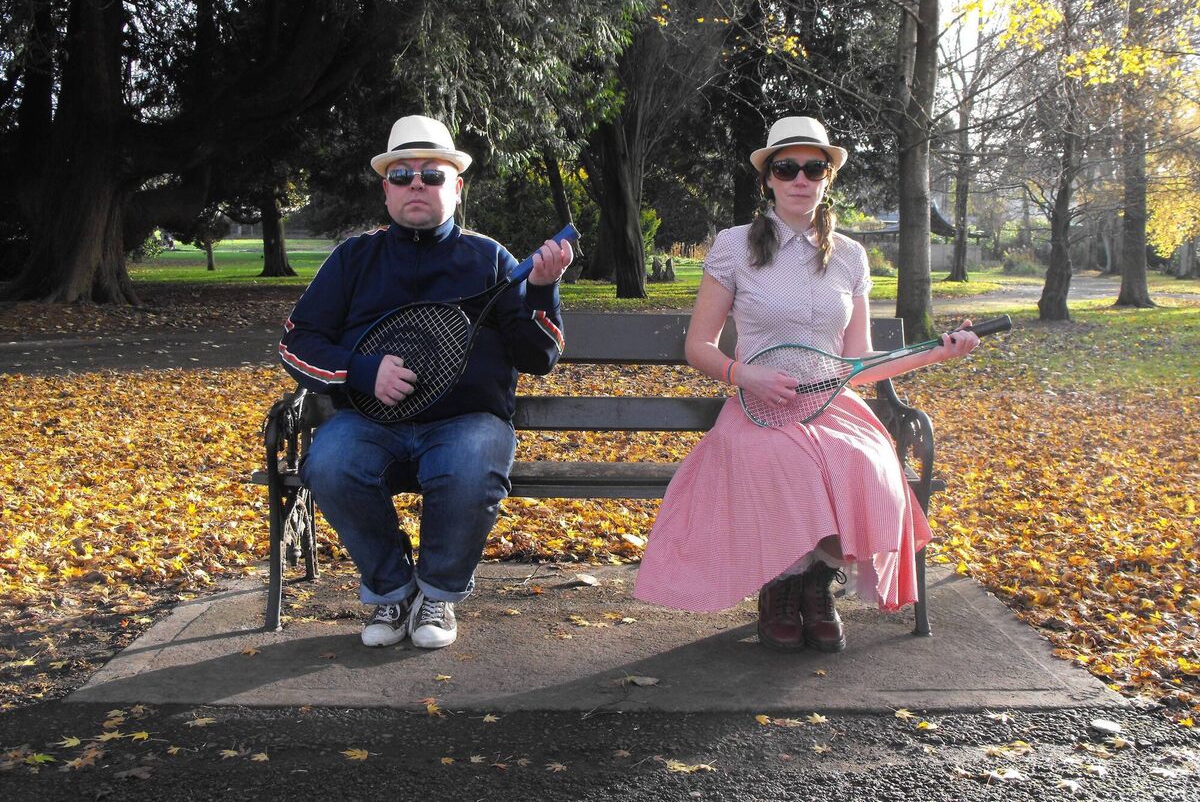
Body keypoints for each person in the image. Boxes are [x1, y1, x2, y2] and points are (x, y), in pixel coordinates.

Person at [633, 115, 981, 653]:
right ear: (767, 179)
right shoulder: (734, 246)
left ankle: (817, 586)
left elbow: (858, 361)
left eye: (813, 168)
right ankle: (780, 588)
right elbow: (699, 345)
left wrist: (936, 352)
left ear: (827, 178)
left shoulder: (850, 256)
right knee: (778, 462)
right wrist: (743, 374)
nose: (800, 178)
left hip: (834, 406)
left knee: (865, 463)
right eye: (786, 167)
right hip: (758, 408)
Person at [279, 115, 573, 650]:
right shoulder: (354, 258)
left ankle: (437, 593)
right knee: (330, 463)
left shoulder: (490, 258)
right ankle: (392, 590)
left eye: (432, 174)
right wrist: (362, 371)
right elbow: (298, 342)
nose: (416, 183)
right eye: (402, 174)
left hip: (467, 422)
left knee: (471, 464)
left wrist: (540, 290)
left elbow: (539, 356)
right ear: (386, 190)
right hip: (368, 423)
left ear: (456, 188)